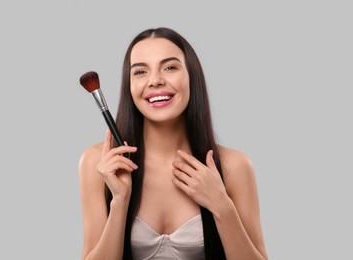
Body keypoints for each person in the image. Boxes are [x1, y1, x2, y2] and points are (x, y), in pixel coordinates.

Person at [78, 27, 268, 260]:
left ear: (192, 77)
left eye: (170, 67)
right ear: (129, 85)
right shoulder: (99, 164)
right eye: (140, 71)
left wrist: (222, 206)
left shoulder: (234, 166)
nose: (155, 81)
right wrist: (120, 201)